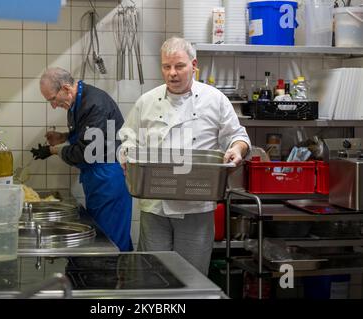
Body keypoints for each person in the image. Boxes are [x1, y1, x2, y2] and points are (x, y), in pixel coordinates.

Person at [118, 37, 251, 275]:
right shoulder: (146, 101)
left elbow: (238, 136)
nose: (172, 73)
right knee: (152, 275)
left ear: (194, 64)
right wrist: (126, 154)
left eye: (179, 66)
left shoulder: (215, 99)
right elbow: (127, 138)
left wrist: (236, 150)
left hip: (196, 204)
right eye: (166, 67)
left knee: (191, 277)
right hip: (154, 204)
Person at [31, 67, 133, 252]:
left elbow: (86, 151)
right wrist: (63, 137)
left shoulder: (94, 104)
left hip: (109, 178)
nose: (53, 106)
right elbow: (88, 134)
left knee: (111, 242)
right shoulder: (78, 101)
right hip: (96, 178)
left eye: (53, 99)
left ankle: (119, 279)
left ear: (66, 88)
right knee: (102, 234)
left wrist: (54, 150)